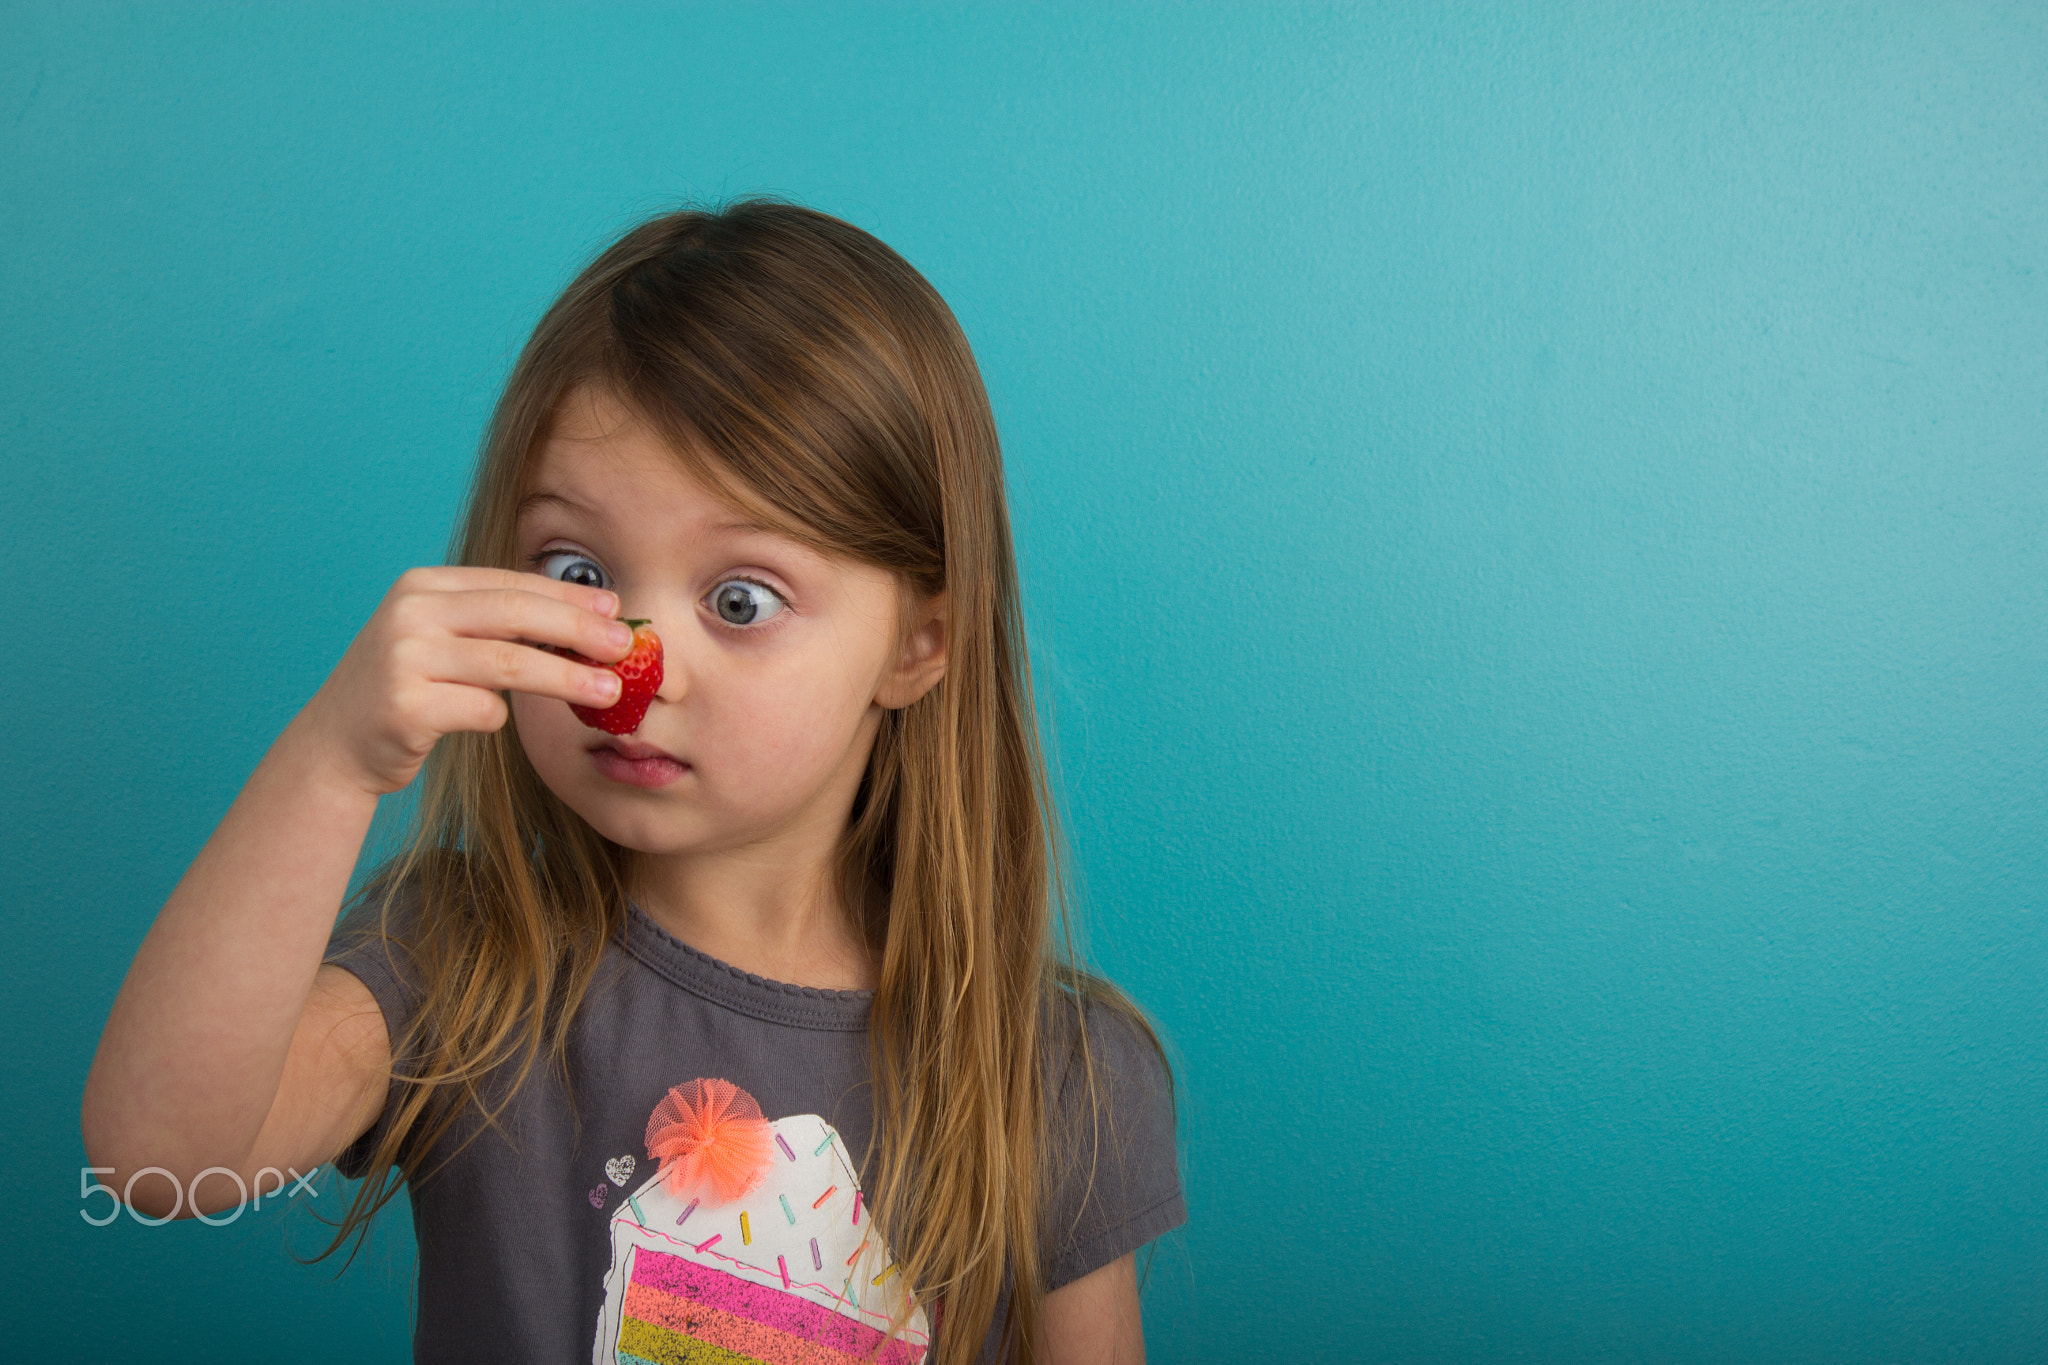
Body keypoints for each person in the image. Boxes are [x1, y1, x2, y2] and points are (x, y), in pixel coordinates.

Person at [80, 199, 1184, 1364]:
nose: (627, 671)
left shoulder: (1054, 1076)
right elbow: (164, 1160)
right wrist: (335, 757)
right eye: (576, 569)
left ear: (918, 645)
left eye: (740, 600)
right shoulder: (458, 960)